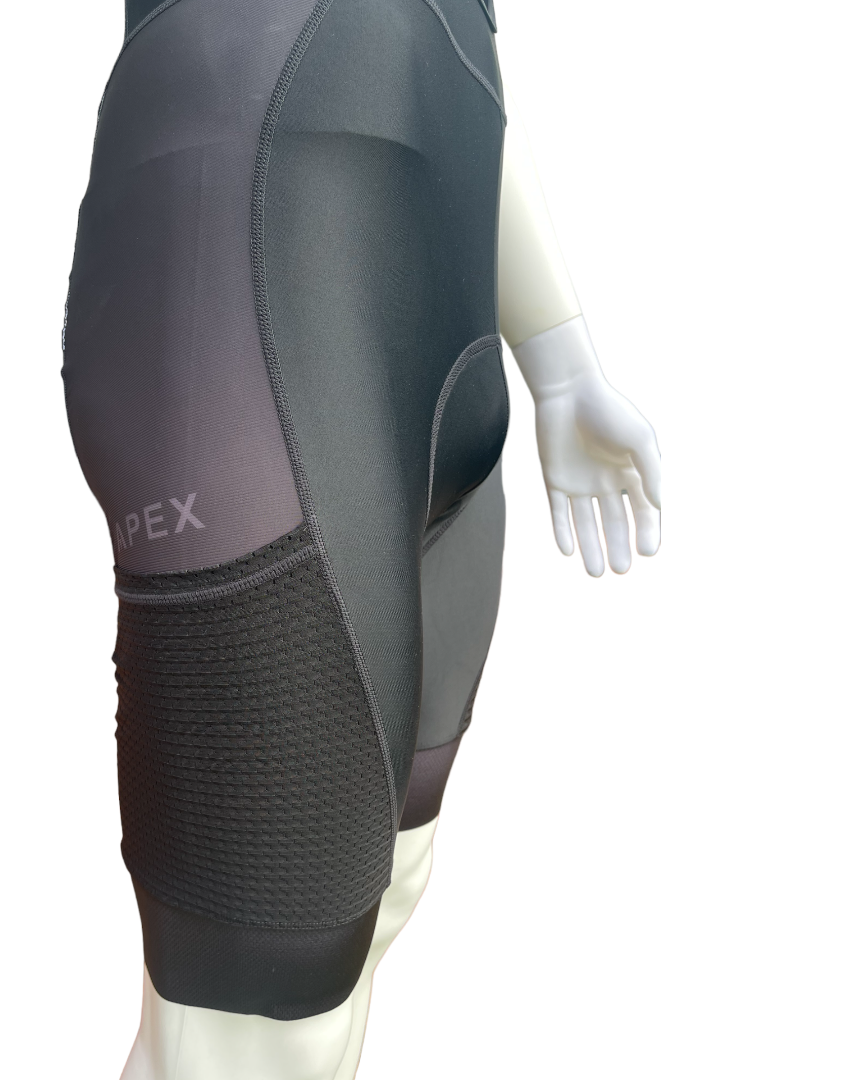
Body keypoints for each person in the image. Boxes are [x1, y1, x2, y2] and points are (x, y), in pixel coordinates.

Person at [60, 0, 661, 1075]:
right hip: (245, 270)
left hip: (439, 286)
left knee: (384, 893)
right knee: (260, 997)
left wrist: (559, 356)